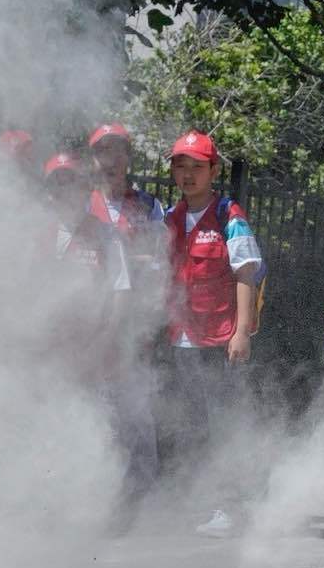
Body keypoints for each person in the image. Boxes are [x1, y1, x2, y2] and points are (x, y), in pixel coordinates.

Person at [161, 131, 265, 538]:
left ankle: (231, 506)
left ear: (214, 170)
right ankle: (203, 502)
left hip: (219, 337)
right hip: (182, 337)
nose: (187, 175)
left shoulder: (229, 215)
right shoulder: (170, 218)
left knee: (223, 422)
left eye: (196, 167)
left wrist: (242, 332)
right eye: (180, 166)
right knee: (193, 424)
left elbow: (246, 272)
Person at [85, 123, 166, 515]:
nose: (112, 160)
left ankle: (143, 493)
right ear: (93, 158)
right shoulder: (84, 205)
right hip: (94, 323)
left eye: (119, 151)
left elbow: (165, 258)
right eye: (104, 151)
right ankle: (102, 490)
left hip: (135, 322)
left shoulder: (149, 206)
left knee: (137, 404)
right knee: (98, 406)